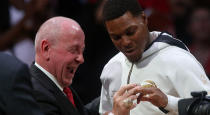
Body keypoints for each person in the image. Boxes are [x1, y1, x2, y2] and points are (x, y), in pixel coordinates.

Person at [99, 0, 210, 115]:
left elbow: (206, 108)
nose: (125, 42)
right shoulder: (112, 67)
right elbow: (105, 111)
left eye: (131, 32)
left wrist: (168, 102)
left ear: (144, 19)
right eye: (116, 37)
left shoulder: (178, 59)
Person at [30, 16, 98, 115]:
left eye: (82, 51)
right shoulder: (36, 94)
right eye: (74, 50)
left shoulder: (58, 85)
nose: (81, 59)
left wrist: (110, 97)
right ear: (46, 49)